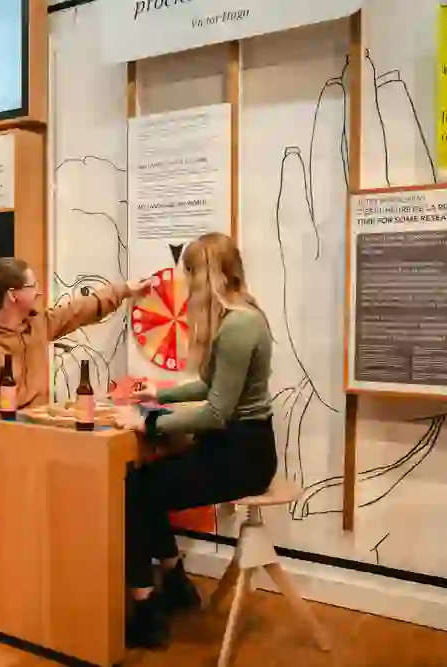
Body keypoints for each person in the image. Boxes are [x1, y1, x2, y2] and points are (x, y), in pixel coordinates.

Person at [113, 232, 278, 648]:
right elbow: (208, 385)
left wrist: (147, 422)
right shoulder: (240, 316)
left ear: (205, 274)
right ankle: (175, 584)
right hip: (237, 448)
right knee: (143, 485)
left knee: (136, 492)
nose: (184, 283)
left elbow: (216, 412)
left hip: (243, 455)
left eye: (189, 272)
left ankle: (147, 611)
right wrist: (157, 396)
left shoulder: (238, 325)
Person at [0, 257, 151, 460]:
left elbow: (78, 311)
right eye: (32, 286)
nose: (39, 292)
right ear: (13, 295)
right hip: (5, 452)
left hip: (38, 441)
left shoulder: (36, 324)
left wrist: (124, 290)